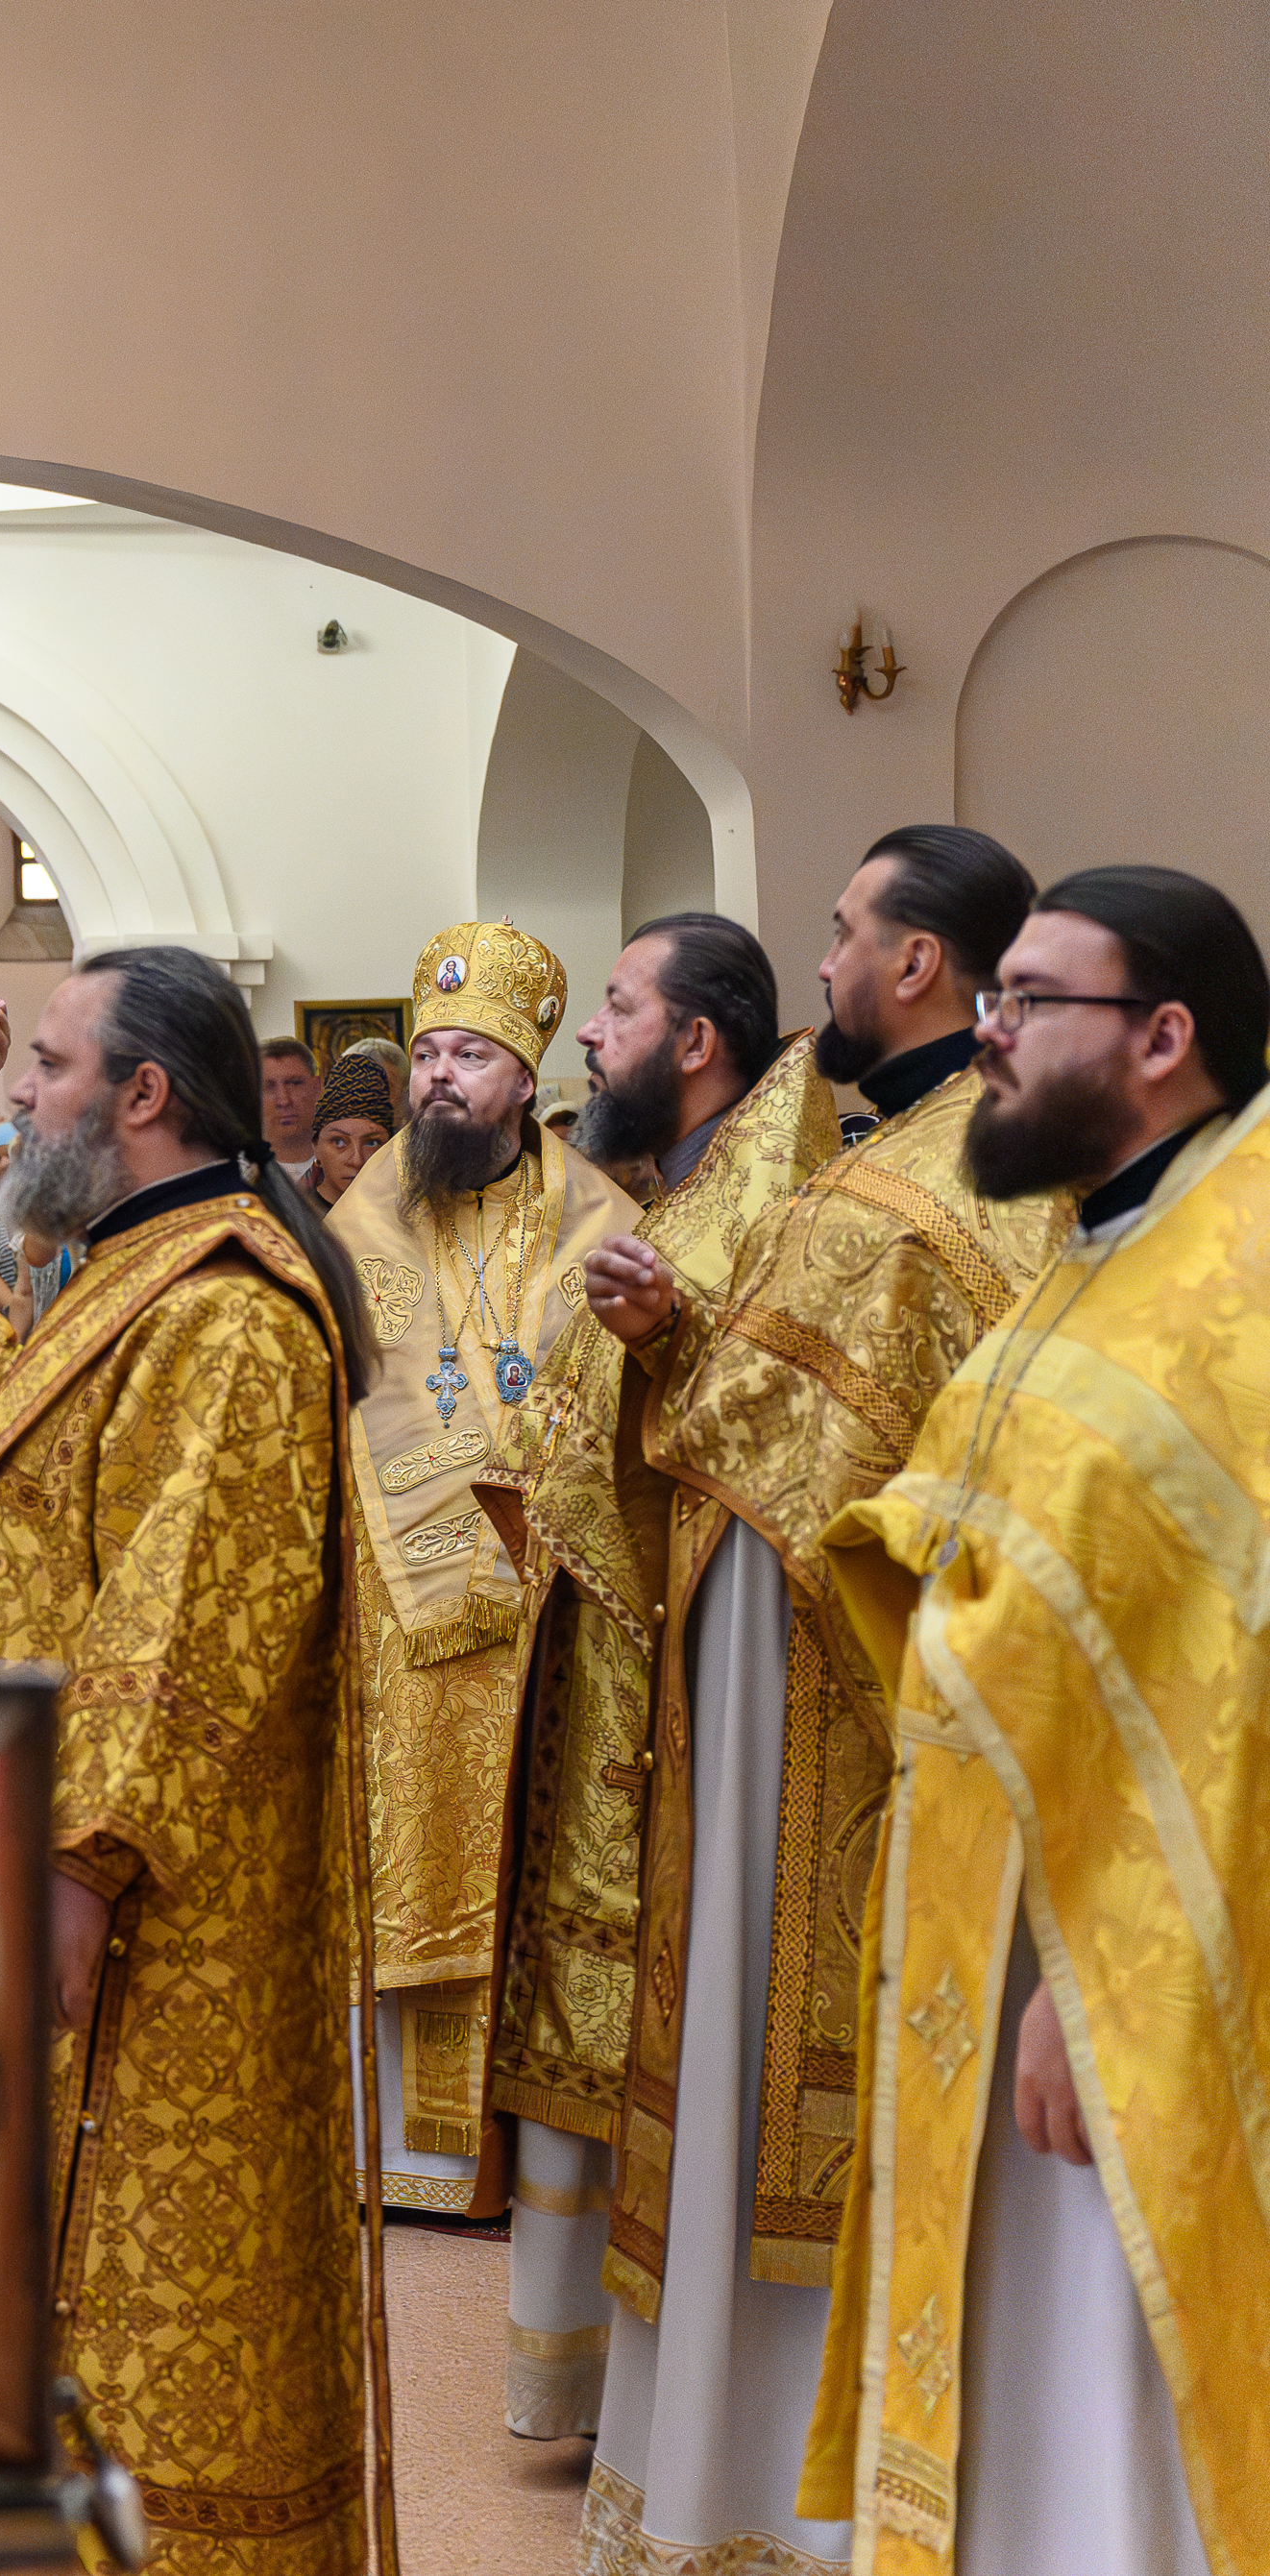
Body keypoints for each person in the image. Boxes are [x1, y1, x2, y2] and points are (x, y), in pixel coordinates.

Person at [0, 943, 387, 2574]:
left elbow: (181, 1615)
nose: (24, 1093)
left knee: (138, 2265)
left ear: (143, 1093)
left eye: (47, 1063)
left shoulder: (236, 1313)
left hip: (145, 1914)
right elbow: (46, 1475)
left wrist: (81, 1864)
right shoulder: (133, 1263)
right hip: (61, 1866)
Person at [571, 827, 1070, 2570]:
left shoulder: (962, 1170)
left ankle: (778, 2496)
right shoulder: (886, 1149)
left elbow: (890, 1441)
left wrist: (680, 1367)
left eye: (849, 932)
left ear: (922, 959)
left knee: (803, 2085)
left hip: (843, 1696)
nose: (828, 963)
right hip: (765, 1670)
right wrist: (665, 1350)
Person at [798, 865, 1267, 2576]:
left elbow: (1236, 1670)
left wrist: (1090, 1969)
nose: (985, 1040)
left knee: (1110, 2406)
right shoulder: (1104, 1240)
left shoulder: (1246, 1271)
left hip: (1133, 1966)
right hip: (984, 1925)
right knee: (1018, 2384)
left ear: (1163, 1033)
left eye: (1029, 1005)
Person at [480, 913, 829, 2442]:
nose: (589, 1038)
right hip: (610, 1658)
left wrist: (662, 1340)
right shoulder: (680, 1183)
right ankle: (595, 2380)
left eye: (616, 1008)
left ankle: (679, 2397)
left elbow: (775, 1431)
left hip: (693, 1674)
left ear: (697, 1041)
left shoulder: (772, 1199)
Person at [327, 920, 646, 2219]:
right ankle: (401, 2159)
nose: (441, 1078)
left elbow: (614, 1405)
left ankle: (523, 2162)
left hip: (542, 1619)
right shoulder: (362, 1215)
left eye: (472, 1054)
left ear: (525, 1078)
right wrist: (457, 1553)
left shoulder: (598, 1215)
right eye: (430, 1053)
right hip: (400, 1623)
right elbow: (357, 1401)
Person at [307, 1052, 390, 1209]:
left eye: (371, 1142)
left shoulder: (404, 1218)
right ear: (315, 1146)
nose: (357, 1161)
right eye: (339, 1142)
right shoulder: (293, 1221)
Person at [260, 1033, 321, 1186]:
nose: (284, 1100)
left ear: (317, 1087)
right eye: (269, 1087)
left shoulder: (346, 1166)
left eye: (294, 1083)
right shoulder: (235, 1175)